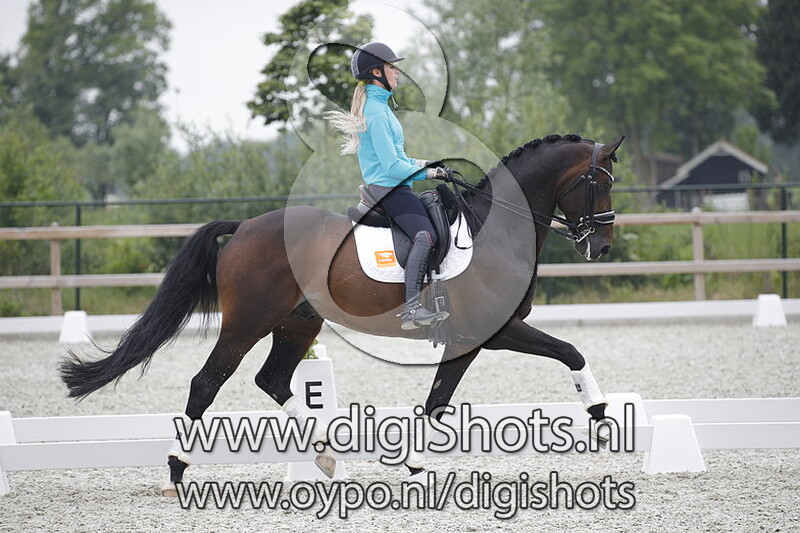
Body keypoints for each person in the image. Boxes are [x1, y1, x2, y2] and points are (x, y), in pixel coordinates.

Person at [326, 42, 450, 330]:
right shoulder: (377, 113)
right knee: (425, 235)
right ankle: (412, 309)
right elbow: (393, 168)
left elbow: (399, 159)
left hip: (394, 187)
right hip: (388, 190)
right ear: (376, 72)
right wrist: (429, 173)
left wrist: (428, 163)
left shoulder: (380, 107)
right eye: (392, 67)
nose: (397, 72)